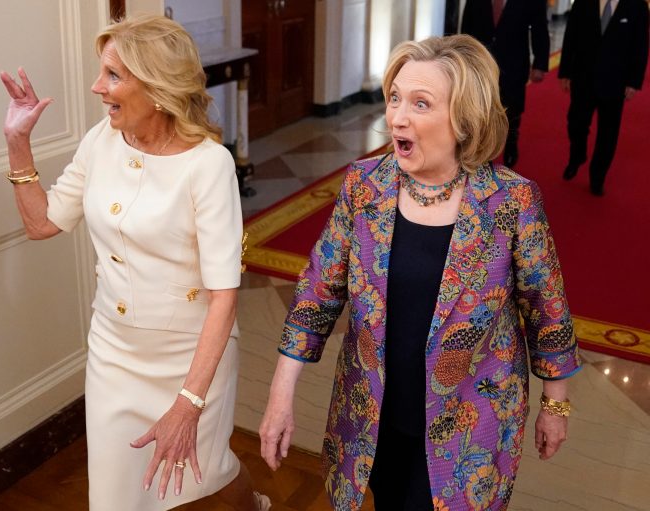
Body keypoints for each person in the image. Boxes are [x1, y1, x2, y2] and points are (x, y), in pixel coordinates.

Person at [259, 35, 581, 511]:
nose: (397, 117)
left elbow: (546, 310)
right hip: (374, 415)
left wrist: (555, 405)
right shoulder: (364, 186)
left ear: (464, 117)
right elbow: (316, 295)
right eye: (394, 98)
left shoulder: (512, 201)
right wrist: (280, 396)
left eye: (420, 103)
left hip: (471, 424)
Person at [0, 14, 270, 511]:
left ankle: (248, 500)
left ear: (159, 88)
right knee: (115, 492)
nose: (96, 87)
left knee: (204, 471)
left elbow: (224, 298)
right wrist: (18, 143)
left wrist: (188, 404)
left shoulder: (208, 165)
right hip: (114, 353)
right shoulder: (100, 140)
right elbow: (43, 224)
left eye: (113, 76)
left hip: (191, 356)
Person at [559, 0, 649, 196]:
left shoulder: (637, 6)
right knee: (575, 122)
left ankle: (597, 176)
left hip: (615, 82)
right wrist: (565, 71)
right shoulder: (583, 3)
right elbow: (571, 35)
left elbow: (640, 44)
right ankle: (577, 155)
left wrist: (634, 81)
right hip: (583, 77)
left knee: (608, 133)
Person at [461, 0, 550, 168]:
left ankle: (511, 143)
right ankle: (482, 149)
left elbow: (539, 28)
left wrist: (540, 63)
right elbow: (467, 26)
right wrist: (462, 57)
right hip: (480, 64)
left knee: (511, 108)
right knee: (481, 109)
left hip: (514, 63)